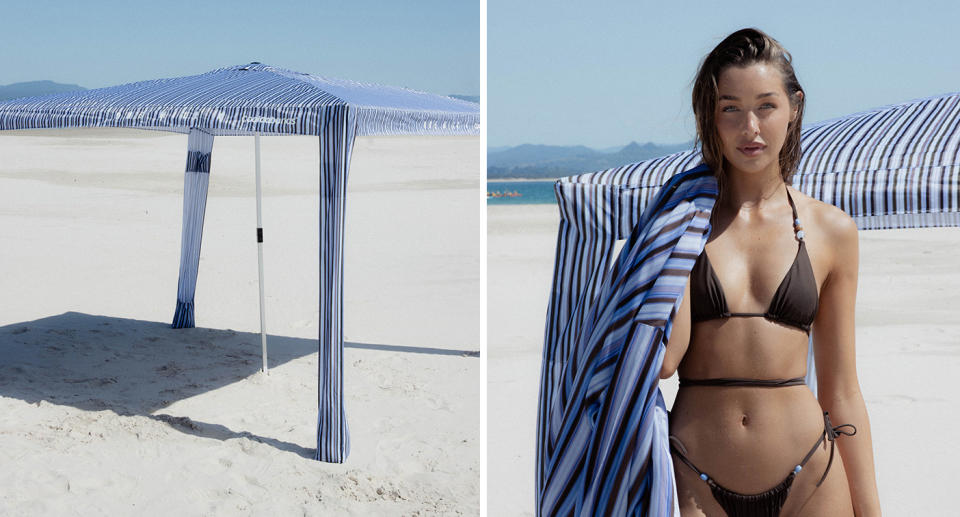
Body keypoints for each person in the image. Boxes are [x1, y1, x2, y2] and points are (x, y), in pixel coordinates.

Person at [658, 28, 882, 516]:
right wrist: (671, 244)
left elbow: (841, 389)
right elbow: (663, 363)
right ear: (710, 117)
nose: (750, 128)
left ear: (794, 107)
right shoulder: (681, 223)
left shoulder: (832, 230)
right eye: (730, 109)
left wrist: (871, 509)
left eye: (766, 106)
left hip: (811, 478)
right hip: (694, 477)